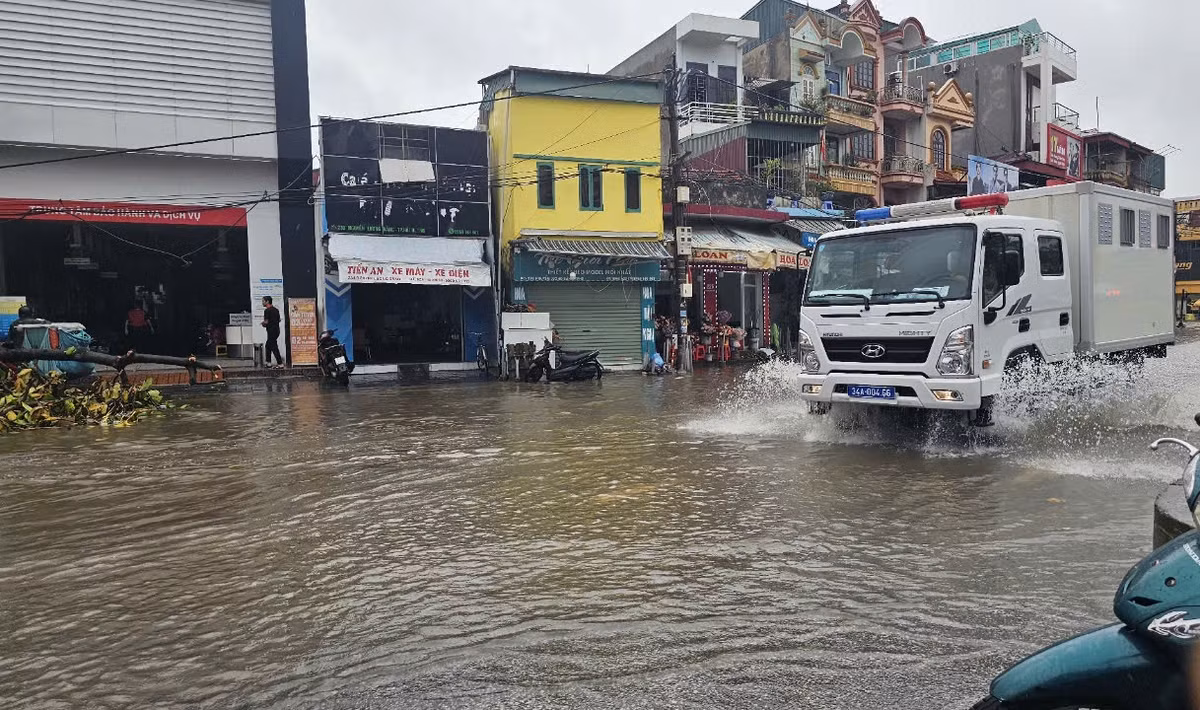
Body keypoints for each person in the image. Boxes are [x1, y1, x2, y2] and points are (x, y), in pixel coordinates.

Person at [261, 296, 283, 368]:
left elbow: (266, 322)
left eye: (263, 301)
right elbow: (279, 320)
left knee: (273, 346)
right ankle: (268, 362)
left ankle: (280, 363)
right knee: (268, 345)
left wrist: (263, 324)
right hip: (277, 330)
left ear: (267, 302)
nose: (262, 303)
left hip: (271, 331)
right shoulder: (276, 310)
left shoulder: (267, 311)